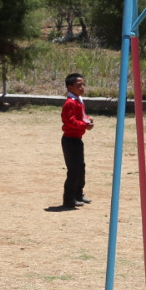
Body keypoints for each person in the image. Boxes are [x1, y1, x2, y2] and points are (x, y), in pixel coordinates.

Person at [59, 73, 94, 209]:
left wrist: (87, 120)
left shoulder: (78, 100)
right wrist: (85, 125)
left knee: (80, 168)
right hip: (70, 140)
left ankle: (78, 194)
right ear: (70, 87)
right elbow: (70, 121)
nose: (82, 87)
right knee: (74, 170)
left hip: (77, 139)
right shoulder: (70, 103)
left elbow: (81, 116)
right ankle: (69, 200)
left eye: (83, 85)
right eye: (79, 85)